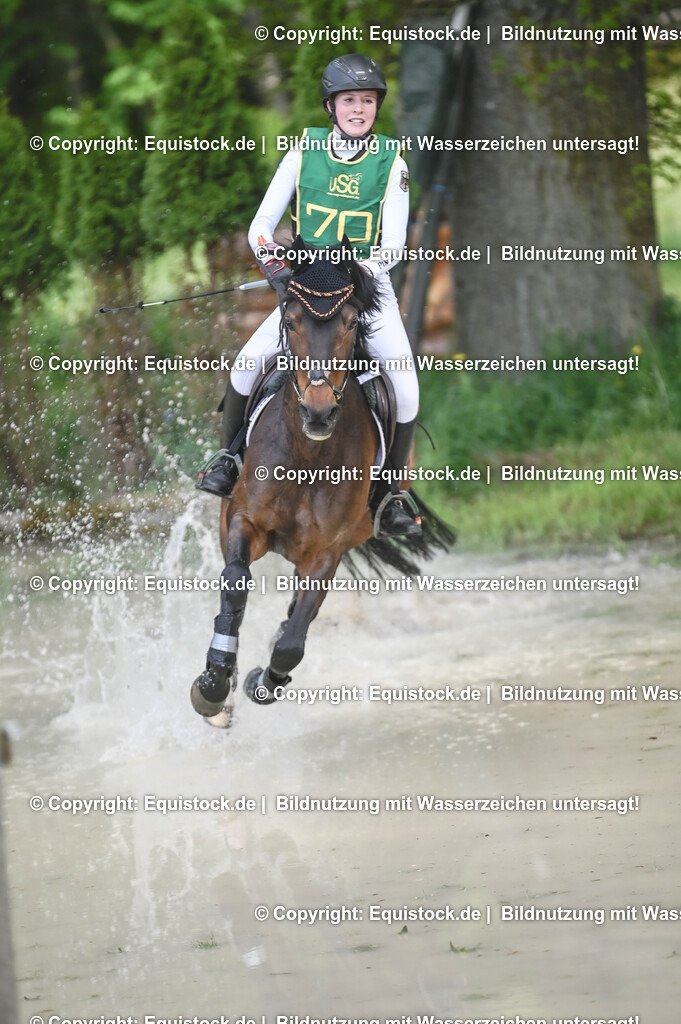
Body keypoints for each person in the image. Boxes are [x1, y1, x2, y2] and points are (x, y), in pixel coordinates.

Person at [198, 53, 420, 537]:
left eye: (367, 101)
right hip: (304, 288)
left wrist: (356, 272)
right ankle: (229, 460)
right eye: (349, 101)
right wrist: (278, 270)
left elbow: (395, 244)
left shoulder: (393, 162)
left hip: (363, 291)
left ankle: (391, 498)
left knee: (406, 390)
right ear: (331, 106)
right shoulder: (302, 154)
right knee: (245, 366)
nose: (359, 109)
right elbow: (260, 227)